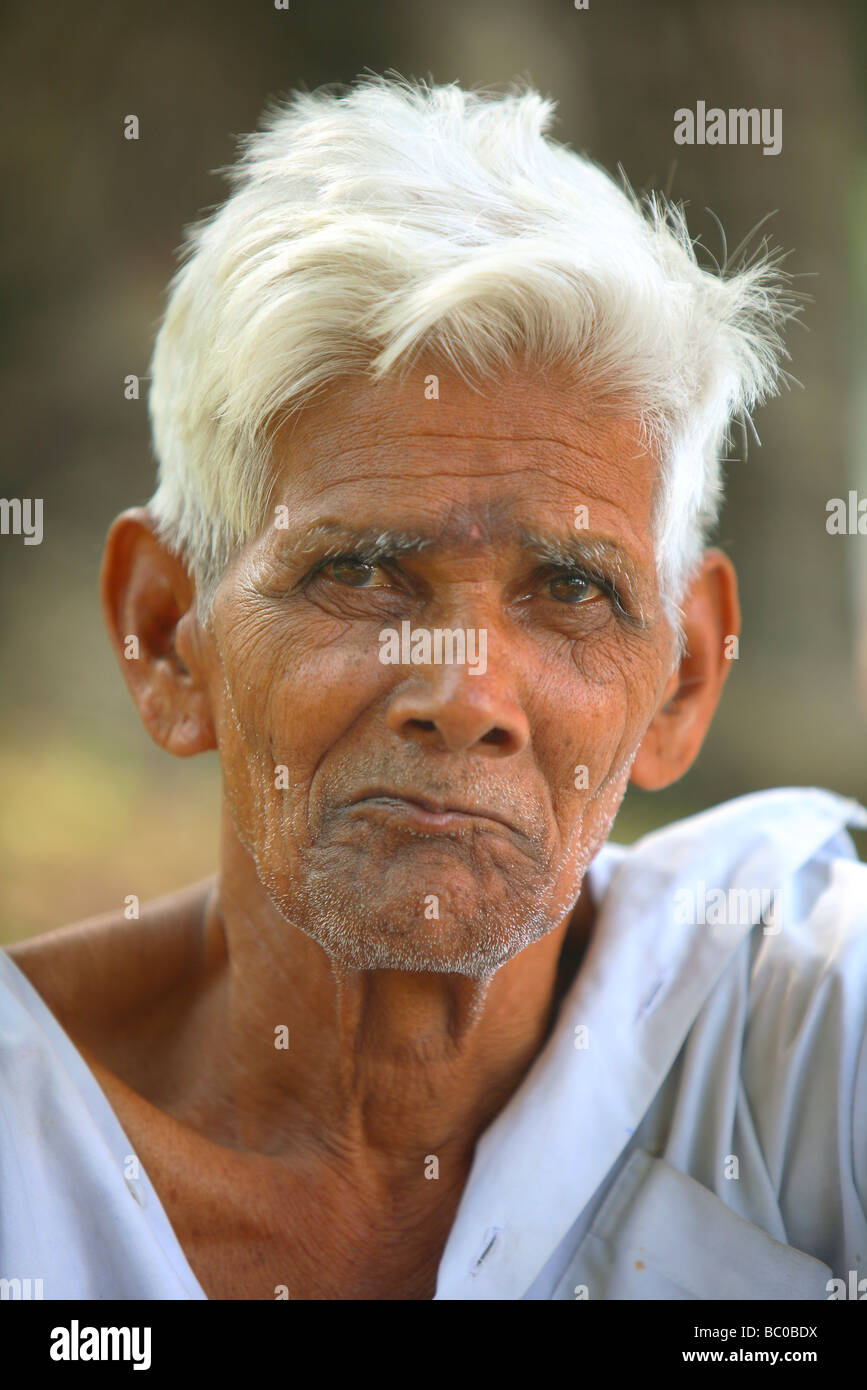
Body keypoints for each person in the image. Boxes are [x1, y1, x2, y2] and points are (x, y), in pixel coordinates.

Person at [2, 74, 865, 1302]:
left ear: (682, 679)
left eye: (571, 588)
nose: (465, 696)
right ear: (166, 635)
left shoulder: (804, 1038)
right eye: (359, 569)